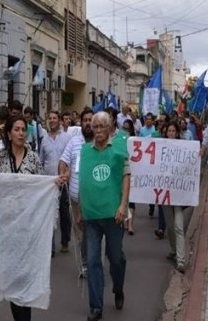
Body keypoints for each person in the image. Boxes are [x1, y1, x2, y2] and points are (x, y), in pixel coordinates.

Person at [0, 114, 43, 321]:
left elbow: (43, 187)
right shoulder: (1, 157)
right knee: (13, 281)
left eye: (23, 129)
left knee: (24, 280)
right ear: (9, 133)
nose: (21, 133)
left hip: (28, 227)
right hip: (6, 228)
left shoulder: (33, 158)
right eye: (16, 129)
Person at [77, 111, 130, 321]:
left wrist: (123, 206)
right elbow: (84, 182)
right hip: (91, 215)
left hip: (113, 214)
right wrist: (80, 209)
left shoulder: (118, 149)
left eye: (101, 126)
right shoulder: (85, 151)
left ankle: (118, 287)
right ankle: (96, 306)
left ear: (109, 129)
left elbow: (127, 177)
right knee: (92, 261)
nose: (97, 130)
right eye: (94, 126)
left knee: (116, 258)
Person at [58, 107, 94, 278]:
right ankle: (85, 264)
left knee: (92, 232)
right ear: (81, 122)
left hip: (95, 199)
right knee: (80, 233)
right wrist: (63, 174)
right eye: (85, 120)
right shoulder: (74, 142)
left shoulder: (100, 142)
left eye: (90, 120)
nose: (87, 123)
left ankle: (91, 262)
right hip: (75, 199)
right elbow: (63, 162)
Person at [40, 110, 73, 254]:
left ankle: (65, 240)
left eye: (54, 118)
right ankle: (50, 247)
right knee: (49, 214)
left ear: (59, 120)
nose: (52, 120)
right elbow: (41, 161)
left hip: (64, 182)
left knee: (64, 213)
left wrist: (67, 174)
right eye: (50, 118)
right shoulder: (44, 139)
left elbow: (72, 159)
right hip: (49, 182)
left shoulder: (67, 138)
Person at [161, 121, 187, 273]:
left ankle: (181, 260)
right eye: (168, 131)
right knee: (170, 227)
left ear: (177, 133)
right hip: (164, 193)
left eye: (173, 131)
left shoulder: (184, 148)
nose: (171, 133)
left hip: (179, 194)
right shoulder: (160, 147)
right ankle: (173, 250)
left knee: (178, 226)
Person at [121, 119, 137, 235]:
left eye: (127, 128)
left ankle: (130, 225)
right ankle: (125, 221)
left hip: (135, 173)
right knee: (124, 198)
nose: (125, 130)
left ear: (131, 129)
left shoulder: (136, 141)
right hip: (123, 173)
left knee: (132, 199)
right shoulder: (119, 140)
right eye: (124, 128)